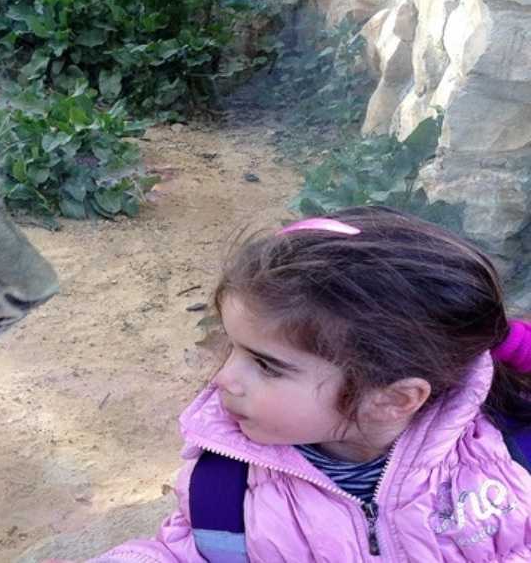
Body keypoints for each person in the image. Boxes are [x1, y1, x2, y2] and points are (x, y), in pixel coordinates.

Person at [52, 206, 531, 562]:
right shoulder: (226, 487)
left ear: (393, 399)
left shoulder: (507, 464)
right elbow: (189, 553)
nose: (222, 378)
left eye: (266, 365)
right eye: (233, 347)